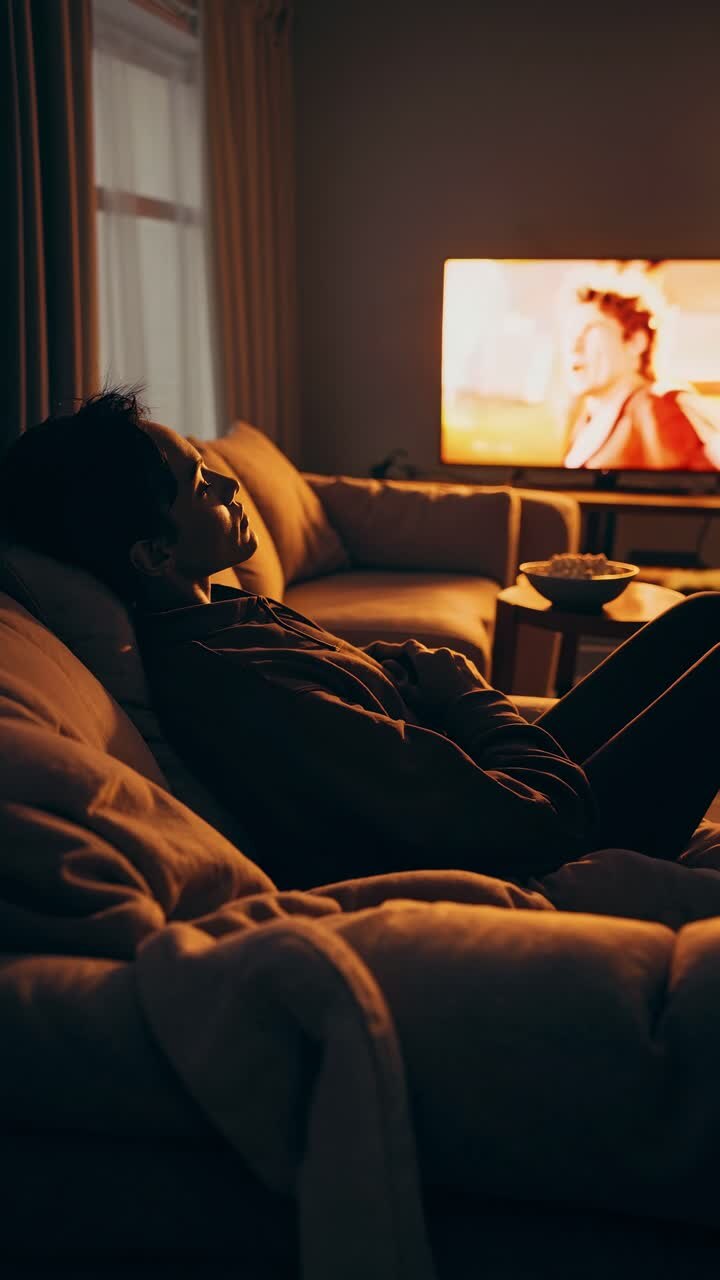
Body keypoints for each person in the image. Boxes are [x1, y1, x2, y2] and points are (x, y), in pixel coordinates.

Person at [0, 389, 718, 889]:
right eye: (201, 484)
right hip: (548, 840)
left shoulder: (222, 613)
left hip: (488, 786)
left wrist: (394, 679)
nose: (228, 483)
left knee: (702, 614)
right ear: (152, 555)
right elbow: (541, 820)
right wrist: (470, 694)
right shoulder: (239, 682)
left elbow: (361, 723)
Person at [562, 286, 720, 471]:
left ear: (636, 342)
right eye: (570, 334)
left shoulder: (656, 410)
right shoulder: (584, 421)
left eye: (590, 330)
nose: (574, 346)